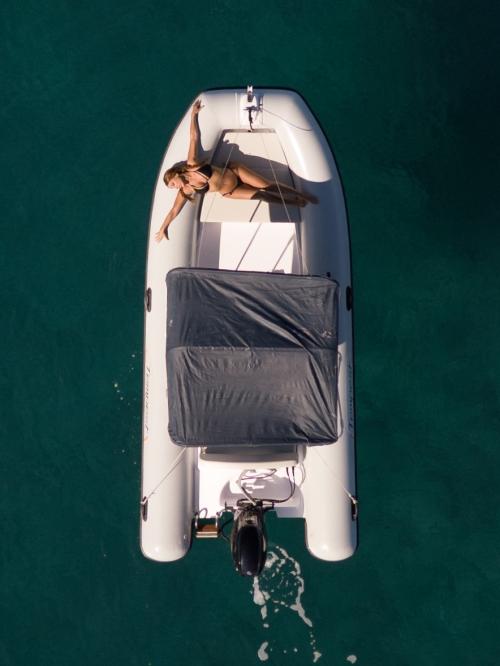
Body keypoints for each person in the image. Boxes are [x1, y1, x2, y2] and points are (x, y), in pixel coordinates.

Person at [155, 100, 315, 241]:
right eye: (172, 188)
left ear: (176, 174)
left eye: (173, 183)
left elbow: (194, 137)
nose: (175, 187)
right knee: (263, 196)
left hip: (235, 171)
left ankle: (300, 194)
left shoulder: (192, 164)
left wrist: (193, 115)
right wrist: (164, 228)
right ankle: (293, 202)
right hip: (229, 192)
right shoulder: (186, 191)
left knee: (267, 185)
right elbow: (174, 210)